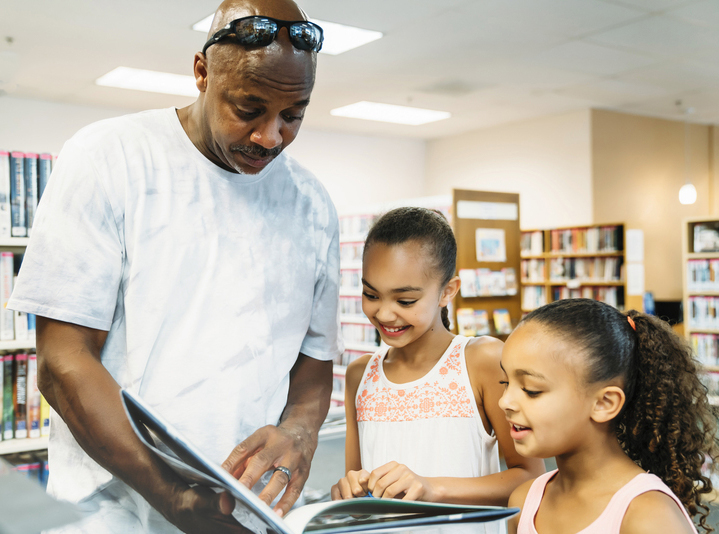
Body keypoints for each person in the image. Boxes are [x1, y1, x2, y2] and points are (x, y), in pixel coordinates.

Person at [8, 0, 342, 532]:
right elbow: (61, 359)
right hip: (112, 503)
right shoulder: (109, 158)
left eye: (293, 115)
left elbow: (314, 359)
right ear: (202, 73)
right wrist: (172, 495)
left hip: (242, 504)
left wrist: (300, 432)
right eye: (249, 109)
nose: (270, 137)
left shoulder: (313, 206)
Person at [330, 208, 545, 528]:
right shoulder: (359, 377)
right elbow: (361, 501)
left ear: (448, 291)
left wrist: (434, 488)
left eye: (405, 301)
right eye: (371, 294)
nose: (385, 314)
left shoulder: (482, 360)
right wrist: (349, 493)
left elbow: (529, 478)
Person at [500, 299, 718, 534]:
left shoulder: (648, 516)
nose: (504, 402)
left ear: (604, 403)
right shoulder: (524, 501)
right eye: (505, 383)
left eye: (531, 390)